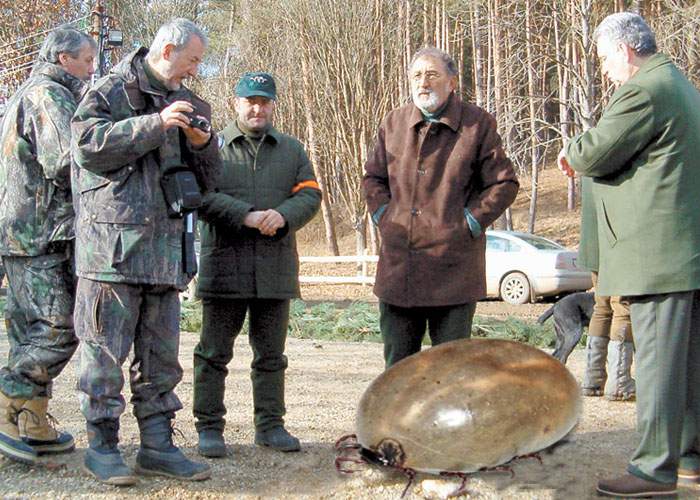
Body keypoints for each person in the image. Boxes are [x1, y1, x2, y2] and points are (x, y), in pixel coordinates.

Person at [70, 18, 221, 485]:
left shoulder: (192, 104)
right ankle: (103, 446)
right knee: (103, 356)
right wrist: (155, 124)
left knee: (160, 360)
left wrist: (203, 143)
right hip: (112, 253)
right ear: (169, 48)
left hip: (166, 253)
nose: (195, 71)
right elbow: (86, 146)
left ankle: (158, 445)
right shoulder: (111, 90)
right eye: (193, 60)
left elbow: (211, 179)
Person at [558, 12, 700, 498]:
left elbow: (594, 152)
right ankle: (689, 458)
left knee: (659, 367)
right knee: (689, 366)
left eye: (603, 58)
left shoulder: (643, 90)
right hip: (683, 253)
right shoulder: (678, 83)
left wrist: (571, 150)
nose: (602, 69)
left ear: (625, 51)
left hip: (655, 257)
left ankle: (652, 471)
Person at [363, 47, 519, 368]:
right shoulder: (393, 123)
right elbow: (372, 180)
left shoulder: (477, 125)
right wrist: (387, 218)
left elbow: (504, 184)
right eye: (417, 75)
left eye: (432, 75)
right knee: (398, 375)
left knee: (451, 375)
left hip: (454, 274)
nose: (423, 82)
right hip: (399, 271)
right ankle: (399, 422)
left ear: (452, 82)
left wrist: (468, 224)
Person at [193, 72, 321, 457]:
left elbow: (310, 195)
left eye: (264, 101)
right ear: (236, 103)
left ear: (273, 105)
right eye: (250, 100)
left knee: (271, 356)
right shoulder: (211, 147)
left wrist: (282, 216)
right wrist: (246, 215)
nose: (257, 107)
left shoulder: (292, 150)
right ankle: (209, 429)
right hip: (224, 268)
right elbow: (199, 196)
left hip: (274, 270)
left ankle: (270, 426)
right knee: (213, 354)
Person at [0, 26, 96, 465]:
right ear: (64, 59)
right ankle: (8, 396)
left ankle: (29, 418)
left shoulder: (25, 92)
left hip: (21, 232)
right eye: (87, 60)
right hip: (40, 233)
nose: (92, 69)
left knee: (28, 328)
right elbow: (65, 160)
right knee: (61, 325)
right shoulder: (49, 96)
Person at [578, 177, 635, 401]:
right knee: (622, 307)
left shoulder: (589, 151)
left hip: (595, 244)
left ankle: (593, 379)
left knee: (602, 307)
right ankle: (619, 382)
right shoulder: (614, 147)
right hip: (617, 243)